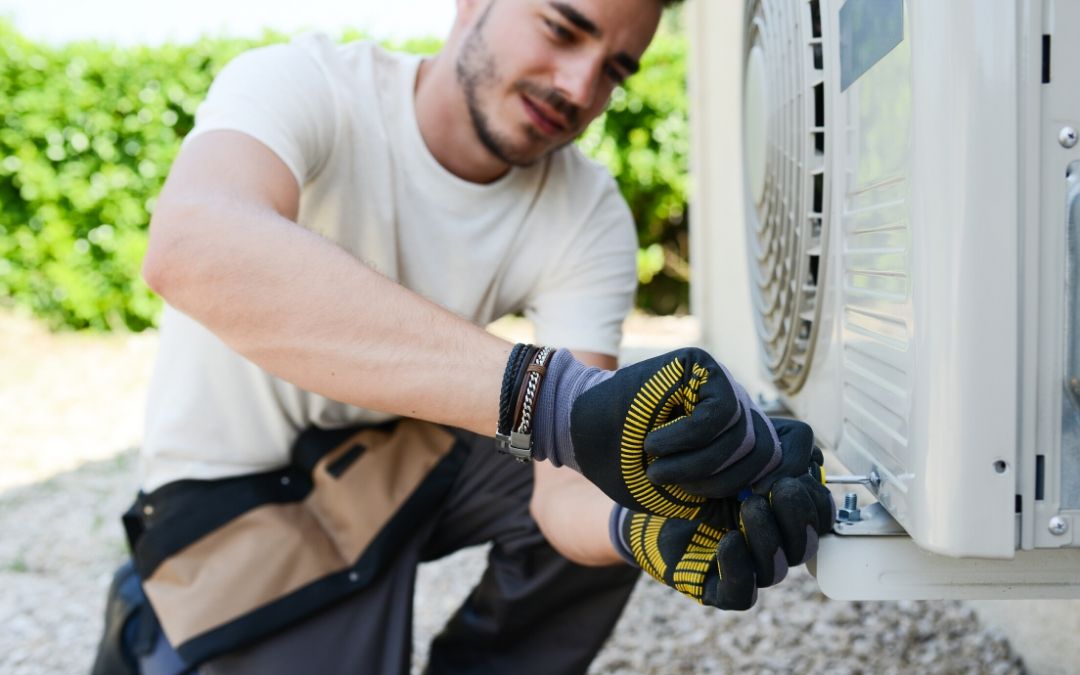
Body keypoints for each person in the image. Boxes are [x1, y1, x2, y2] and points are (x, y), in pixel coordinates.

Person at [91, 0, 834, 673]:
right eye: (562, 28)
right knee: (579, 413)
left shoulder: (585, 210)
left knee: (641, 454)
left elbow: (567, 482)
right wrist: (556, 403)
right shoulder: (307, 83)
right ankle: (156, 608)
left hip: (397, 458)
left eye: (614, 69)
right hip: (232, 491)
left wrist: (641, 525)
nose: (579, 89)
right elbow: (192, 245)